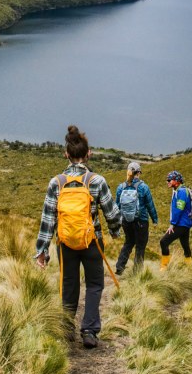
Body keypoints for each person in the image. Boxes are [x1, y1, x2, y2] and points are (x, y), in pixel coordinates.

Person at [35, 125, 121, 348]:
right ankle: (90, 331)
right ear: (88, 154)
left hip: (65, 242)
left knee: (69, 282)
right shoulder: (97, 181)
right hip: (92, 241)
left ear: (67, 154)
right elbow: (111, 212)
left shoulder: (56, 182)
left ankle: (65, 328)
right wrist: (114, 230)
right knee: (94, 284)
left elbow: (48, 220)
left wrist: (42, 251)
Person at [113, 161, 158, 275]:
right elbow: (150, 205)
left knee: (128, 242)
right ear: (138, 173)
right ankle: (137, 272)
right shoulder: (143, 187)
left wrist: (117, 220)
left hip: (126, 221)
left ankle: (120, 267)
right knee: (140, 246)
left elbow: (117, 206)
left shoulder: (120, 187)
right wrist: (155, 219)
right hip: (141, 221)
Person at [159, 169, 192, 270]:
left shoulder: (182, 191)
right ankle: (190, 268)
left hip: (181, 224)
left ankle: (164, 267)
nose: (168, 182)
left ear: (177, 181)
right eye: (167, 180)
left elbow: (179, 208)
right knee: (185, 245)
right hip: (184, 224)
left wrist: (172, 224)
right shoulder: (178, 190)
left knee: (163, 242)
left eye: (170, 180)